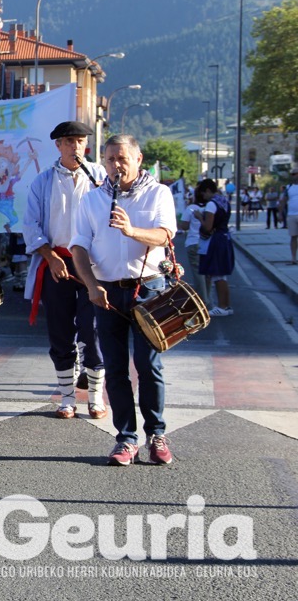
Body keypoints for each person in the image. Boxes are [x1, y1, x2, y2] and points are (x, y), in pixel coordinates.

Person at [71, 134, 177, 466]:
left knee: (147, 365)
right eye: (111, 160)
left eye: (123, 159)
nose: (117, 166)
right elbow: (78, 246)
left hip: (148, 288)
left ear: (138, 159)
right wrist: (90, 284)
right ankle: (125, 439)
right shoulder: (91, 200)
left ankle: (156, 433)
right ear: (103, 162)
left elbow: (164, 234)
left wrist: (132, 231)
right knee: (115, 367)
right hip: (108, 291)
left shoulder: (158, 193)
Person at [22, 121, 108, 420]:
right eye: (69, 141)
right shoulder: (43, 181)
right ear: (58, 146)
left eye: (80, 141)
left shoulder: (100, 177)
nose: (75, 147)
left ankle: (96, 396)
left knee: (92, 327)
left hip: (94, 264)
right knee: (60, 329)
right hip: (56, 260)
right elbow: (30, 225)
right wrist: (49, 255)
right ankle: (67, 397)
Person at [196, 178, 235, 316]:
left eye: (203, 193)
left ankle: (222, 306)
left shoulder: (211, 204)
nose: (203, 197)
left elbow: (207, 227)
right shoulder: (223, 201)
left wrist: (200, 217)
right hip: (225, 237)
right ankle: (226, 305)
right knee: (222, 275)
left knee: (217, 274)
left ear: (207, 190)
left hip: (216, 239)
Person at [178, 190, 210, 308]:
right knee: (207, 273)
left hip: (193, 242)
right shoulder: (210, 207)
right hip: (207, 243)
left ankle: (202, 300)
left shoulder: (191, 208)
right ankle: (207, 297)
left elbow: (184, 225)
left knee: (198, 273)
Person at [280, 168, 298, 265]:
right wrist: (280, 214)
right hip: (291, 214)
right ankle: (293, 258)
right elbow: (283, 200)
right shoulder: (289, 187)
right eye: (292, 174)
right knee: (293, 237)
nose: (294, 176)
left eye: (295, 174)